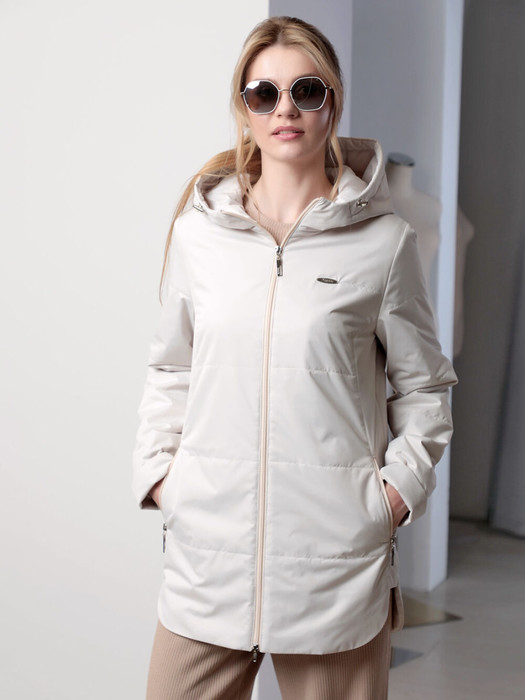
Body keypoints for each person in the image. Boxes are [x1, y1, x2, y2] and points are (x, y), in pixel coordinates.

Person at [132, 16, 458, 700]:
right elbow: (172, 369)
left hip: (334, 568)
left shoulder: (383, 243)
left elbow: (424, 388)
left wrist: (390, 498)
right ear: (244, 108)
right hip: (207, 559)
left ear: (331, 103)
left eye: (305, 91)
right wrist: (164, 477)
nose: (285, 109)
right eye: (264, 93)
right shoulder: (199, 237)